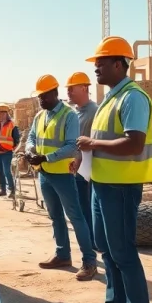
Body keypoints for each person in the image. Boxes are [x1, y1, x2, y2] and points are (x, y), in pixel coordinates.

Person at [77, 36, 152, 303]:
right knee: (106, 249)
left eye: (101, 63)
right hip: (102, 183)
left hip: (121, 186)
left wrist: (92, 145)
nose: (96, 68)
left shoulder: (132, 97)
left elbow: (133, 143)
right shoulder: (112, 97)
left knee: (123, 252)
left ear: (119, 64)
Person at [26, 75, 96, 281]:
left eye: (45, 96)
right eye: (39, 97)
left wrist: (47, 156)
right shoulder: (40, 116)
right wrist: (31, 150)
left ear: (55, 93)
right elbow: (31, 137)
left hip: (62, 175)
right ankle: (63, 255)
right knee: (55, 216)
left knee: (75, 217)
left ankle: (89, 262)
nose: (41, 100)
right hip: (45, 174)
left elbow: (71, 145)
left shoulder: (69, 115)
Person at [65, 71, 99, 278]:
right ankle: (91, 242)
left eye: (71, 88)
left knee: (86, 208)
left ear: (85, 88)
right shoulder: (74, 113)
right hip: (76, 168)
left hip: (88, 168)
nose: (68, 92)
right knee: (81, 208)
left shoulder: (94, 111)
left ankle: (92, 244)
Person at [0, 103, 20, 198]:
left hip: (7, 152)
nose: (2, 115)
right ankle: (2, 190)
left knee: (7, 171)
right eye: (0, 113)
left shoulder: (12, 124)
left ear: (7, 113)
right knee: (0, 171)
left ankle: (11, 190)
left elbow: (16, 138)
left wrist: (13, 148)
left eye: (4, 113)